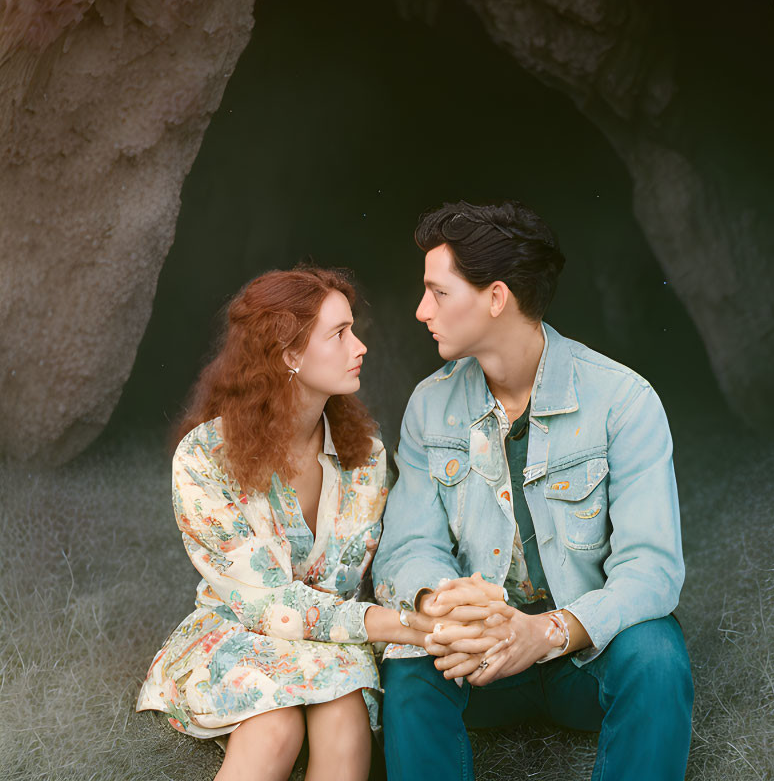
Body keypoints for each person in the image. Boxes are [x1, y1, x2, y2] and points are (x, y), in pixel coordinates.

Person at [372, 201, 694, 780]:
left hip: (581, 656)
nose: (421, 311)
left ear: (496, 298)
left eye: (438, 293)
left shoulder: (624, 400)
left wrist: (547, 632)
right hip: (478, 662)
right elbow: (406, 549)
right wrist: (441, 606)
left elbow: (651, 570)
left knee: (656, 654)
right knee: (408, 663)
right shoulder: (429, 405)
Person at [136, 266, 492, 781]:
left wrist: (431, 608)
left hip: (330, 645)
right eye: (340, 334)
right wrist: (405, 626)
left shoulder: (366, 458)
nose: (361, 346)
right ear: (290, 356)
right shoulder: (203, 458)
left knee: (344, 723)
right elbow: (265, 602)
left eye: (354, 329)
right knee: (274, 729)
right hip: (241, 631)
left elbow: (362, 576)